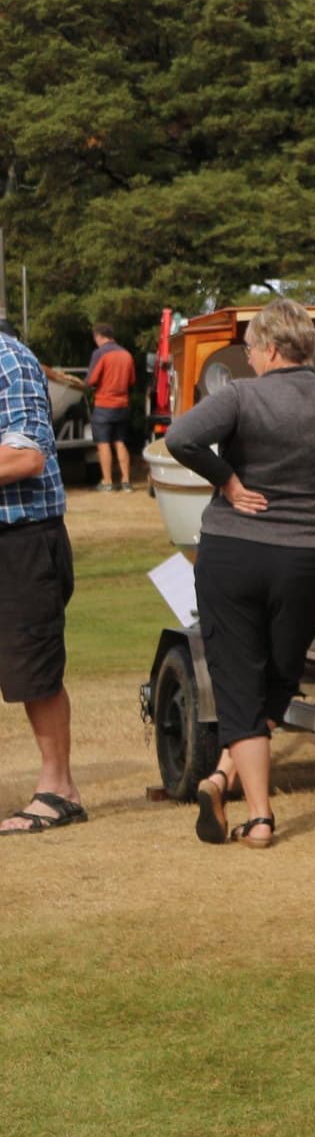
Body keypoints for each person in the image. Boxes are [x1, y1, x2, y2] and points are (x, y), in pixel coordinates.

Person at [164, 299, 315, 848]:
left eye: (252, 349)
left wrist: (228, 481)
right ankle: (220, 778)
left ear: (272, 349)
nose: (249, 359)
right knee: (279, 679)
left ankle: (258, 816)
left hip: (233, 551)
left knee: (237, 684)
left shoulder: (239, 395)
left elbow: (180, 438)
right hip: (302, 557)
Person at [0, 321, 82, 836]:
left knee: (33, 671)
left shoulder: (8, 359)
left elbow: (27, 455)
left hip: (21, 539)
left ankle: (60, 790)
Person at [80, 322, 137, 492]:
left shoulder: (100, 353)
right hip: (123, 405)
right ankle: (126, 481)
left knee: (103, 443)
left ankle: (107, 482)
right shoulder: (126, 354)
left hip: (104, 404)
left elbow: (91, 380)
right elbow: (132, 381)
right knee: (120, 442)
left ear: (98, 337)